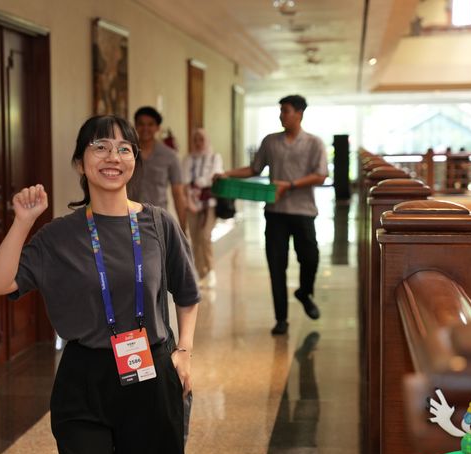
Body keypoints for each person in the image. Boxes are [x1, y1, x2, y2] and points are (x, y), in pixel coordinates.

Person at [0, 115, 200, 454]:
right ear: (80, 163)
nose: (112, 157)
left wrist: (184, 351)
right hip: (84, 379)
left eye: (123, 148)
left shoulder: (158, 223)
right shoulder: (59, 235)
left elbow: (186, 293)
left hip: (150, 372)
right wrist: (22, 222)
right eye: (100, 147)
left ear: (134, 160)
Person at [218, 94, 327, 334]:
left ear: (299, 113)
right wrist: (227, 173)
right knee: (277, 266)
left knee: (310, 258)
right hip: (275, 213)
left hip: (303, 212)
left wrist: (290, 185)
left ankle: (304, 292)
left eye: (286, 110)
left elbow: (321, 175)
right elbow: (254, 168)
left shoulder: (314, 143)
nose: (281, 115)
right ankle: (281, 319)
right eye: (280, 111)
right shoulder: (270, 141)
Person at [127, 106, 187, 229]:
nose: (145, 128)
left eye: (150, 124)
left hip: (157, 221)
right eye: (141, 124)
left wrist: (182, 228)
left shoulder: (170, 156)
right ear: (135, 126)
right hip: (128, 219)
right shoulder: (125, 152)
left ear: (157, 127)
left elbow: (178, 193)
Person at [181, 128, 223, 287]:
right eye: (195, 140)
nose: (198, 143)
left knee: (205, 237)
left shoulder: (214, 157)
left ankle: (211, 270)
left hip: (209, 204)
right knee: (195, 239)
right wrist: (189, 202)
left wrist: (201, 182)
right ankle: (201, 273)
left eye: (201, 139)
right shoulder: (188, 159)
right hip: (192, 203)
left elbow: (214, 177)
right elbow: (185, 182)